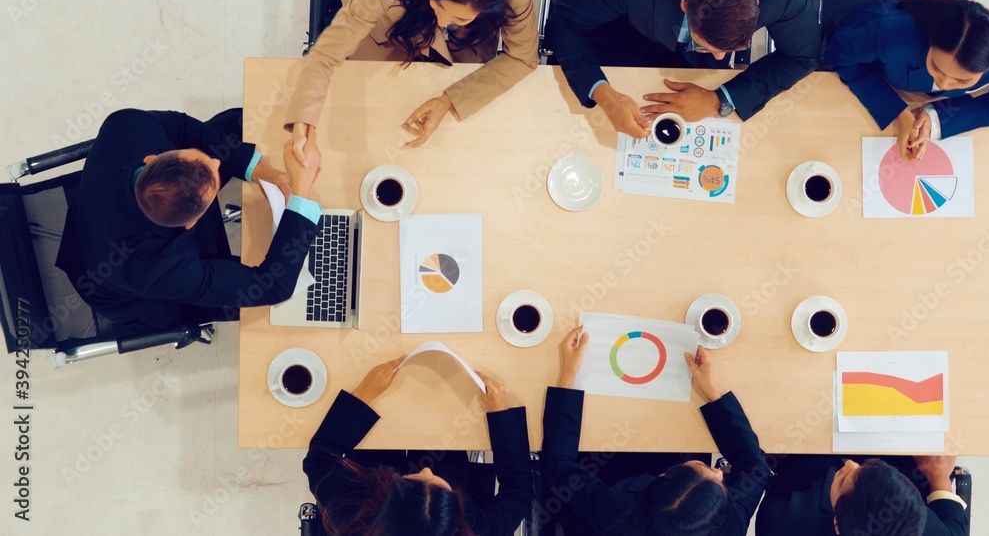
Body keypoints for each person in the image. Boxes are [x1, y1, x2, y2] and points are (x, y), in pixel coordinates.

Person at [55, 108, 322, 334]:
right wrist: (302, 188)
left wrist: (261, 171)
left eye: (205, 160)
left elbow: (182, 127)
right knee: (256, 306)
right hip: (119, 287)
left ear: (153, 158)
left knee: (233, 123)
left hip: (96, 215)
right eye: (215, 173)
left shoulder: (127, 125)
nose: (218, 162)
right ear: (191, 225)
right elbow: (272, 287)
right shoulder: (154, 271)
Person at [540, 327, 770, 535]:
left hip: (602, 479)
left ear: (660, 476)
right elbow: (755, 467)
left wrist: (567, 377)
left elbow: (558, 465)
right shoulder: (728, 526)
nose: (720, 473)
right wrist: (713, 394)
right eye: (719, 479)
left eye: (705, 468)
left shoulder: (613, 511)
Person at [285, 0, 539, 155]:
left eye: (459, 16)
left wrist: (450, 100)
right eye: (439, 4)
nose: (442, 20)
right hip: (393, 29)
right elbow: (328, 52)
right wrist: (304, 116)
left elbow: (523, 57)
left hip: (468, 47)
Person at [544, 0, 820, 138]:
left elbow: (803, 57)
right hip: (624, 37)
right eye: (707, 45)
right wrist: (604, 95)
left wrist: (719, 98)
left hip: (689, 70)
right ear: (685, 5)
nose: (720, 58)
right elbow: (563, 25)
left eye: (732, 48)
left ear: (757, 2)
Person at [304, 355, 534, 536]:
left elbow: (319, 459)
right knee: (438, 424)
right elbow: (520, 492)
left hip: (372, 477)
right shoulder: (479, 528)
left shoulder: (349, 518)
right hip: (440, 451)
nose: (425, 470)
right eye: (435, 483)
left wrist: (362, 395)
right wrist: (500, 413)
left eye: (416, 478)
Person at [825, 0, 989, 161]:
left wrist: (935, 117)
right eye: (936, 66)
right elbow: (838, 54)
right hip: (865, 37)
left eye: (962, 80)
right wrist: (898, 112)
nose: (944, 84)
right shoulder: (894, 35)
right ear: (931, 40)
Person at [756, 454, 969, 536]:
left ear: (837, 525)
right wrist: (938, 476)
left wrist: (833, 449)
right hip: (902, 462)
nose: (851, 464)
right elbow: (954, 529)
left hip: (814, 462)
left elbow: (784, 480)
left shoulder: (781, 525)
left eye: (842, 481)